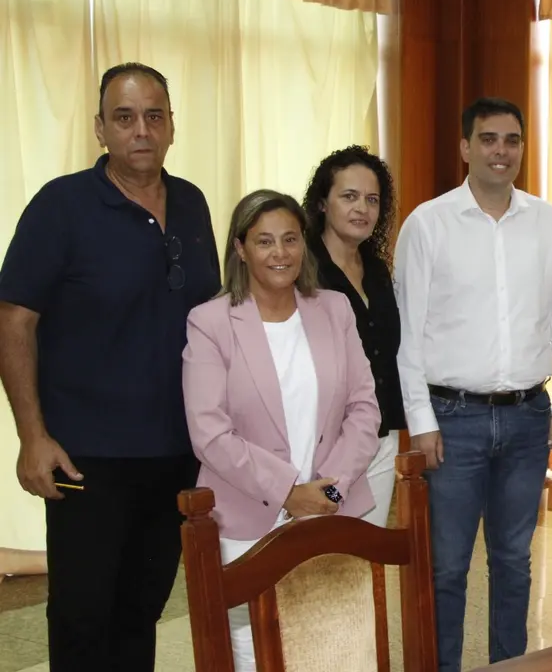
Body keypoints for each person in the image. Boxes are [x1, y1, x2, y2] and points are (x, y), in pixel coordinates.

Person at [0, 62, 220, 671]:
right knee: (82, 617)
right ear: (101, 128)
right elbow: (13, 320)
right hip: (84, 459)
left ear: (172, 125)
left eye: (154, 116)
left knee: (141, 612)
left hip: (175, 454)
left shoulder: (194, 204)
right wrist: (32, 437)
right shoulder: (61, 206)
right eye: (124, 118)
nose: (141, 131)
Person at [394, 96, 552, 670]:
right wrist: (421, 422)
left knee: (513, 561)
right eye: (490, 139)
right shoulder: (428, 223)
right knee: (447, 566)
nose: (502, 151)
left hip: (527, 416)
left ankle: (509, 664)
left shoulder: (545, 221)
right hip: (453, 421)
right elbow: (409, 335)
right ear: (465, 147)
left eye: (512, 140)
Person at [183, 189, 380, 670]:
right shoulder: (210, 322)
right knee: (256, 652)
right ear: (240, 249)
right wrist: (290, 492)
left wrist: (329, 493)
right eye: (265, 241)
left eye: (290, 239)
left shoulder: (334, 309)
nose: (280, 253)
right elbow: (209, 431)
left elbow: (364, 408)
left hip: (333, 511)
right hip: (245, 519)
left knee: (333, 644)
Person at [303, 145, 406, 527]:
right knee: (319, 561)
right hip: (323, 443)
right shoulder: (302, 271)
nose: (361, 208)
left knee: (363, 559)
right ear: (321, 204)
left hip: (379, 438)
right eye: (349, 196)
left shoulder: (377, 269)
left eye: (371, 199)